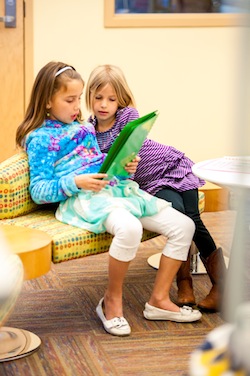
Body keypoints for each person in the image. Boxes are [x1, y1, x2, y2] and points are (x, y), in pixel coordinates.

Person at [15, 61, 202, 337]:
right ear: (46, 102)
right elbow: (40, 190)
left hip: (117, 190)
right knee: (130, 228)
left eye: (78, 99)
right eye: (70, 100)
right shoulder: (40, 139)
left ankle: (159, 301)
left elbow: (98, 161)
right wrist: (76, 182)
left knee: (184, 226)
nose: (78, 106)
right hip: (84, 199)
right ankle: (111, 302)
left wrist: (122, 166)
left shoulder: (84, 129)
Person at [85, 64, 227, 313]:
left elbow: (131, 146)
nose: (104, 104)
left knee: (193, 217)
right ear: (89, 98)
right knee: (181, 219)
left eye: (111, 99)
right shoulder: (89, 130)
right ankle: (185, 283)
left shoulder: (126, 117)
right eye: (98, 98)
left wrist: (128, 160)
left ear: (121, 100)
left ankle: (222, 285)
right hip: (151, 182)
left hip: (172, 165)